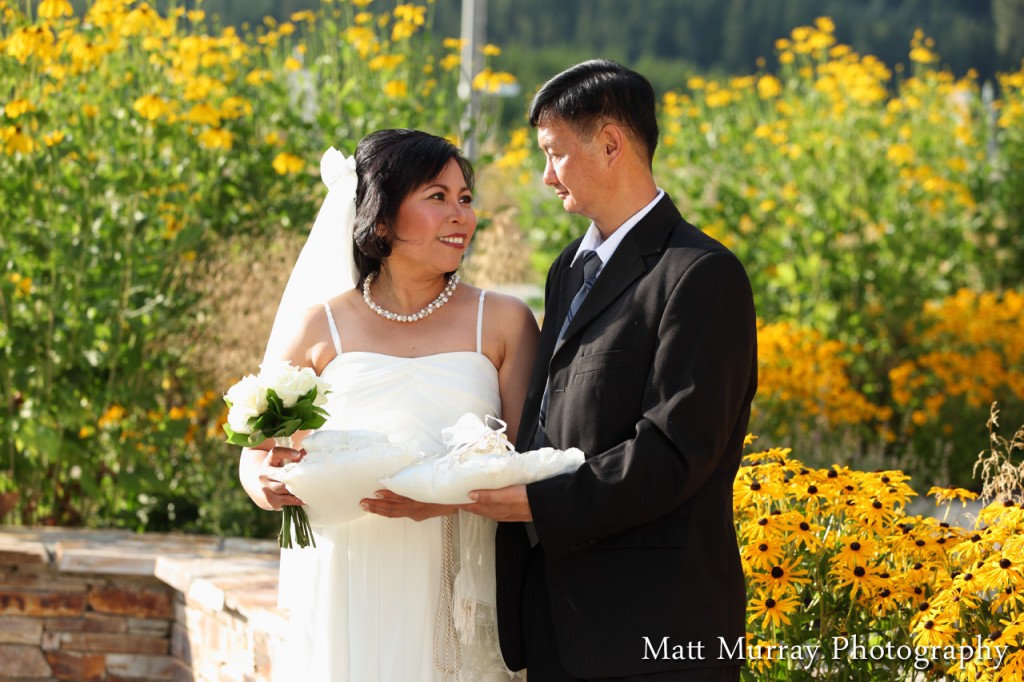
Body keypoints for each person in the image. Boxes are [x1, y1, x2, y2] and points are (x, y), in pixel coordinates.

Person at [463, 60, 758, 680]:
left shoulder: (701, 274)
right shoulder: (568, 267)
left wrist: (535, 502)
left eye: (554, 154)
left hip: (657, 628)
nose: (545, 177)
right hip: (558, 621)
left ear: (610, 144)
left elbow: (676, 453)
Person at [238, 129, 539, 681]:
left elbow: (524, 462)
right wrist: (265, 483)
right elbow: (258, 453)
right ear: (381, 220)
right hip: (347, 572)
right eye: (437, 197)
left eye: (465, 199)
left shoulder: (503, 321)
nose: (461, 216)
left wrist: (445, 500)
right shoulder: (319, 326)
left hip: (458, 569)